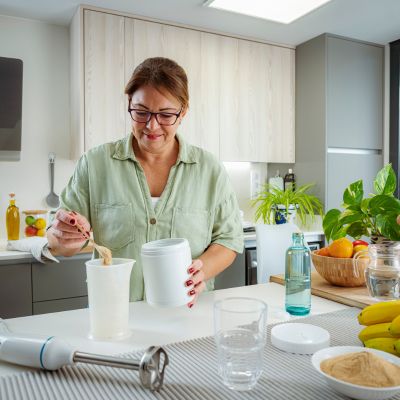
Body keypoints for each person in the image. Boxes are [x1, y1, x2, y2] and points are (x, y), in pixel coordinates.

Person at [47, 57, 244, 307]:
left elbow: (228, 240)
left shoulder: (210, 169)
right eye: (141, 112)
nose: (152, 126)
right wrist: (62, 238)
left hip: (188, 312)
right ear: (129, 103)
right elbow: (58, 241)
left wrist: (201, 271)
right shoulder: (95, 164)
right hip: (116, 311)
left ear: (183, 111)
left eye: (165, 114)